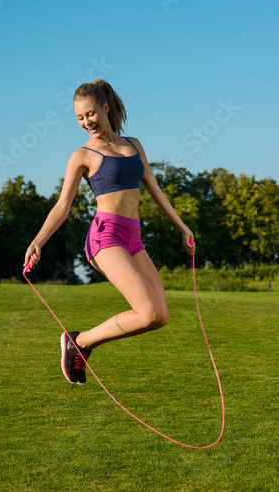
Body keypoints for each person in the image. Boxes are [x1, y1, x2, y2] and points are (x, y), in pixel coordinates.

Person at [23, 79, 195, 386]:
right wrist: (38, 241)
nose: (87, 121)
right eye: (79, 118)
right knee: (144, 313)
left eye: (90, 113)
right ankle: (80, 341)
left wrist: (182, 227)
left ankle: (81, 343)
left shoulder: (133, 145)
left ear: (104, 108)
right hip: (105, 237)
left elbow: (155, 189)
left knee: (159, 316)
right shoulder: (82, 156)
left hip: (133, 236)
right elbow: (63, 206)